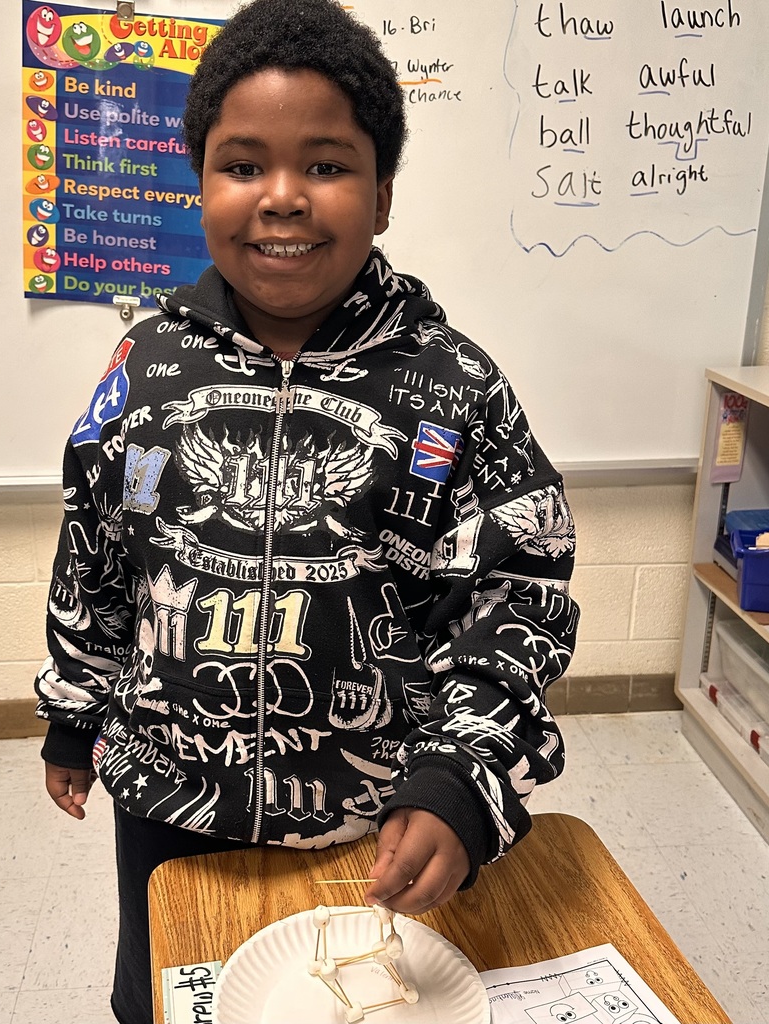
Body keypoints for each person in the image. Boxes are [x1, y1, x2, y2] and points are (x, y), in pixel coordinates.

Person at [36, 0, 579, 1020]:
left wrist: (463, 774)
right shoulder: (144, 370)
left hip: (380, 823)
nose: (281, 197)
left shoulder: (454, 386)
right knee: (165, 1002)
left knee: (350, 1006)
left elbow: (519, 597)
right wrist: (73, 716)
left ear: (381, 197)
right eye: (242, 165)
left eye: (325, 165)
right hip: (172, 806)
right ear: (199, 187)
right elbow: (93, 556)